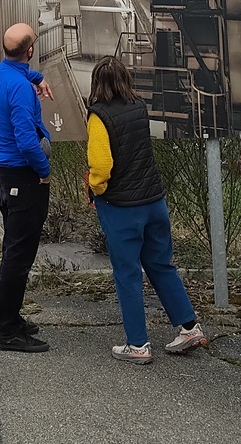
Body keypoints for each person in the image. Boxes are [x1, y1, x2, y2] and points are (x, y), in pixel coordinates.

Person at [87, 55, 204, 363]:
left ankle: (137, 345)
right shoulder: (139, 107)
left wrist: (95, 188)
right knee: (161, 265)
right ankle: (189, 327)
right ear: (126, 79)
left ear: (97, 84)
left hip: (121, 207)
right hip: (154, 202)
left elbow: (101, 167)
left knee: (127, 274)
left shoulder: (99, 116)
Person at [0, 22, 53, 353]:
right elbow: (27, 140)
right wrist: (45, 172)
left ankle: (10, 317)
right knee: (18, 256)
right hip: (25, 177)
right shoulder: (20, 89)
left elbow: (18, 74)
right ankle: (8, 330)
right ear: (29, 50)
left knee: (14, 248)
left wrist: (37, 78)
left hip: (4, 175)